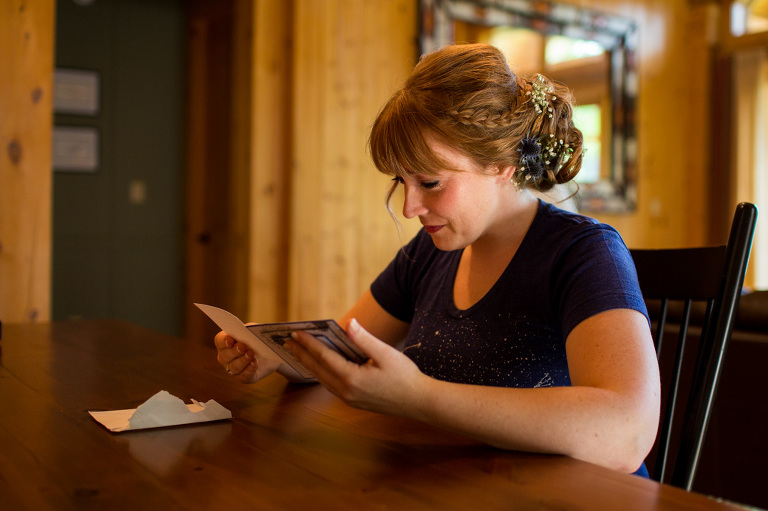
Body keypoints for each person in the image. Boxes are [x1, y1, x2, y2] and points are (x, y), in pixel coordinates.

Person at [214, 43, 660, 475]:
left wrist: (418, 397)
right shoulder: (428, 253)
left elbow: (626, 433)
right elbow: (347, 350)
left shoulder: (583, 252)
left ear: (502, 164)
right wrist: (281, 352)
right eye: (401, 181)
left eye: (430, 182)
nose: (410, 208)